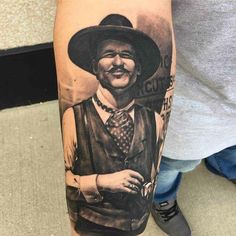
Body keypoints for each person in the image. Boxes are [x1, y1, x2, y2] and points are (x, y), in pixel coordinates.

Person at [62, 14, 164, 236]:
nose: (118, 62)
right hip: (91, 227)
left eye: (126, 55)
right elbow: (67, 179)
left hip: (136, 226)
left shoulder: (154, 120)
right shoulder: (75, 117)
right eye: (109, 54)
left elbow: (153, 170)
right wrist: (101, 182)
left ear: (137, 68)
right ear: (94, 67)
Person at [151, 1, 236, 236]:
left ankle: (225, 166)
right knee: (174, 161)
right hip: (190, 96)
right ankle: (161, 197)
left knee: (231, 147)